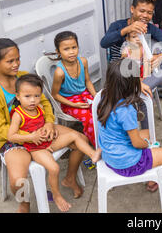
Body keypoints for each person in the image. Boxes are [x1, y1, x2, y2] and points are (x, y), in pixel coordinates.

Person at [0, 38, 85, 213]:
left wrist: (49, 123)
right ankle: (24, 204)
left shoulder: (24, 77)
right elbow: (1, 130)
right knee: (18, 181)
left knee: (81, 140)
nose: (16, 64)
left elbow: (45, 103)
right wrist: (30, 136)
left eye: (17, 59)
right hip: (15, 140)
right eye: (10, 61)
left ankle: (70, 178)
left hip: (40, 127)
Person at [96, 59, 162, 212]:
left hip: (110, 157)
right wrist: (146, 143)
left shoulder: (104, 98)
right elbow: (137, 144)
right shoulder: (126, 110)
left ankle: (156, 173)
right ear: (132, 83)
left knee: (148, 136)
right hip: (128, 164)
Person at [7, 74, 101, 212]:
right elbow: (11, 136)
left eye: (37, 96)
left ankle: (93, 154)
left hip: (48, 142)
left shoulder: (39, 108)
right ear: (18, 96)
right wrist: (30, 137)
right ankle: (57, 196)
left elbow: (45, 121)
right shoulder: (18, 114)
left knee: (75, 136)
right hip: (36, 149)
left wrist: (49, 126)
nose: (33, 100)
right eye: (27, 96)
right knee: (54, 168)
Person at [100, 0, 162, 97]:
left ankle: (138, 92)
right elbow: (104, 43)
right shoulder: (118, 25)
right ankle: (138, 94)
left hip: (142, 71)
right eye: (142, 11)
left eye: (149, 12)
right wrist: (127, 29)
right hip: (121, 72)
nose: (145, 15)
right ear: (132, 9)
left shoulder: (150, 28)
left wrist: (161, 56)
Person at [50, 31, 97, 146]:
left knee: (101, 110)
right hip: (70, 101)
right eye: (66, 49)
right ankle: (97, 145)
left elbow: (87, 81)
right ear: (58, 52)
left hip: (85, 95)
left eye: (74, 47)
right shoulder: (60, 72)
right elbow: (55, 95)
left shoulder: (83, 61)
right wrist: (75, 105)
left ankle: (108, 138)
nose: (71, 52)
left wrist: (96, 96)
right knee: (89, 119)